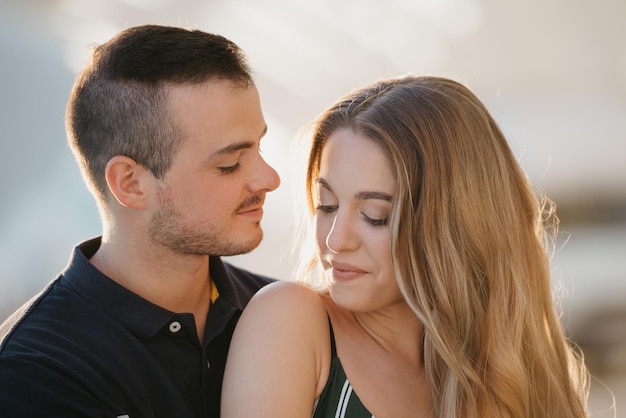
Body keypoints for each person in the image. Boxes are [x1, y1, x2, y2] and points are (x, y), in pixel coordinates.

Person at [221, 75, 589, 417]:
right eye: (327, 205)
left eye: (375, 215)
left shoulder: (513, 373)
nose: (336, 240)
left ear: (455, 227)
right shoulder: (292, 321)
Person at [0, 24, 280, 417]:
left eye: (260, 146)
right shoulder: (36, 370)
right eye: (229, 164)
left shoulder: (285, 317)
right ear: (130, 184)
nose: (270, 178)